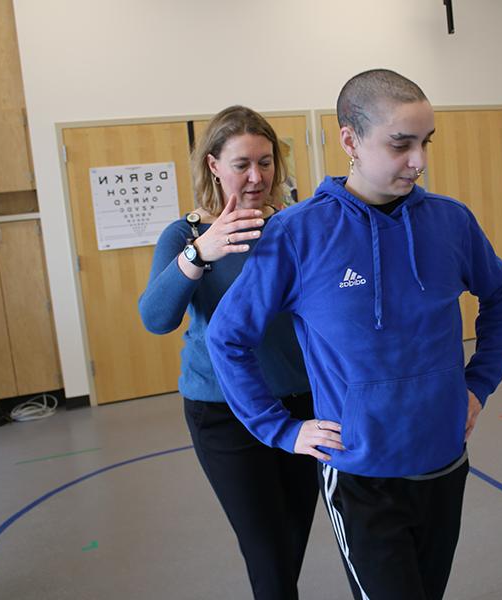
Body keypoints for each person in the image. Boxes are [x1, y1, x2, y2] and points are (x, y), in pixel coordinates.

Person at [207, 70, 502, 600]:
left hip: (445, 462)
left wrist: (479, 383)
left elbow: (501, 293)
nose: (419, 160)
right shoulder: (297, 234)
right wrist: (281, 430)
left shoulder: (451, 222)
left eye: (425, 143)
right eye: (401, 144)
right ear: (350, 140)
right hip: (361, 475)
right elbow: (227, 337)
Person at [138, 105, 317, 600]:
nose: (257, 176)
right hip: (222, 411)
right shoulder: (185, 235)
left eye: (266, 162)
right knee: (267, 551)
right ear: (214, 165)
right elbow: (156, 319)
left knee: (290, 539)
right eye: (242, 164)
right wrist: (202, 253)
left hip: (299, 405)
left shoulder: (294, 227)